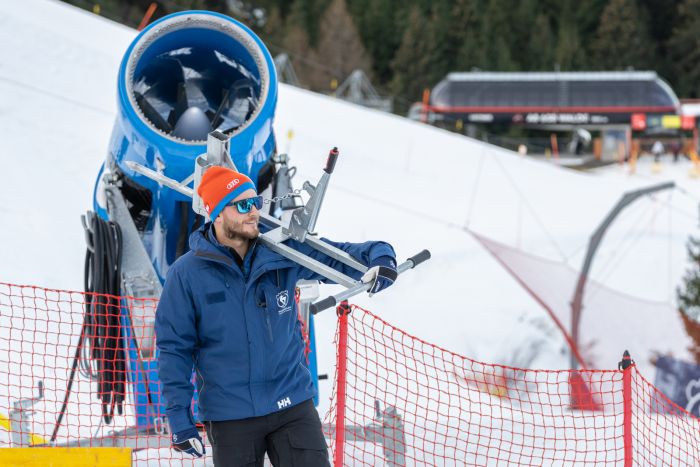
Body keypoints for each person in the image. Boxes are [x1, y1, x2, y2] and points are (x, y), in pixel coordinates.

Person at [155, 166, 397, 466]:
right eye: (243, 205)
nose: (254, 211)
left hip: (292, 405)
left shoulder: (282, 252)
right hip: (231, 416)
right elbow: (173, 350)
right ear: (217, 213)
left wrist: (381, 258)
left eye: (255, 202)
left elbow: (340, 256)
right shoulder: (187, 274)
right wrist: (179, 418)